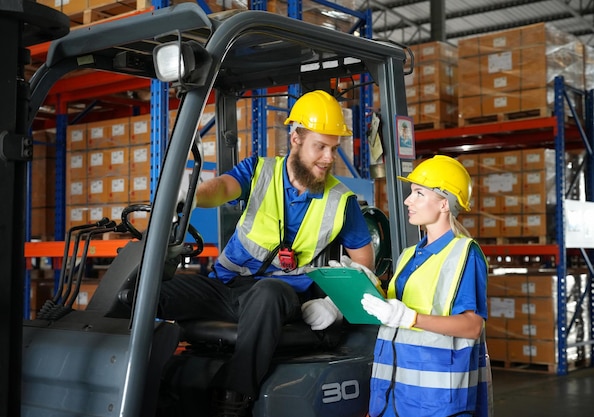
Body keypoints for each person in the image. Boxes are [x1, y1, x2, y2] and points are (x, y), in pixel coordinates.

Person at [157, 90, 375, 417]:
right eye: (321, 146)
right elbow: (223, 188)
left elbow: (364, 267)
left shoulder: (341, 202)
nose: (329, 158)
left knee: (268, 291)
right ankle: (135, 379)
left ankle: (233, 397)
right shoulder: (259, 172)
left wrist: (335, 306)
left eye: (334, 148)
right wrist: (190, 196)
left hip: (283, 299)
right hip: (226, 288)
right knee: (147, 288)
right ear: (296, 139)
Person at [360, 155, 492, 417]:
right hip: (392, 395)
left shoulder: (465, 254)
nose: (408, 201)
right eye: (411, 193)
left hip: (436, 400)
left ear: (444, 203)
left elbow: (472, 326)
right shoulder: (408, 254)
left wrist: (410, 317)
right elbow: (392, 311)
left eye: (419, 193)